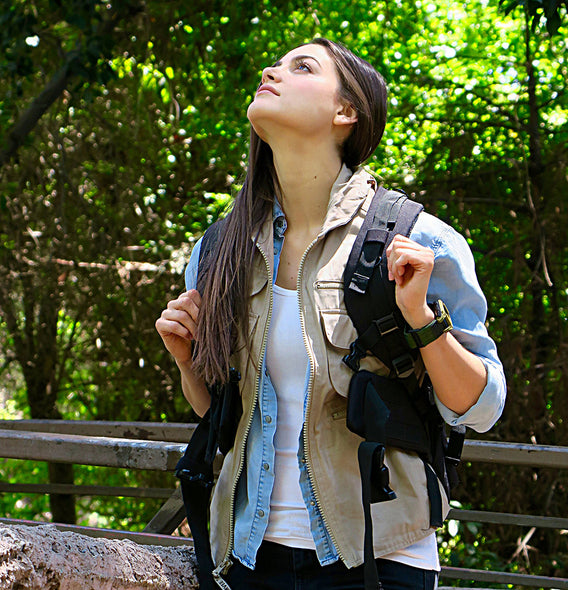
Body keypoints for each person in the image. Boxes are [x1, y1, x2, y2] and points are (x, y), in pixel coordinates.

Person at [156, 38, 506, 590]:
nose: (272, 69)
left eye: (303, 66)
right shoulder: (218, 250)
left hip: (379, 559)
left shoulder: (417, 239)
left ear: (346, 112)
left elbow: (480, 408)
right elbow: (220, 411)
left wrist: (421, 318)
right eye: (277, 62)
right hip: (248, 557)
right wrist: (186, 361)